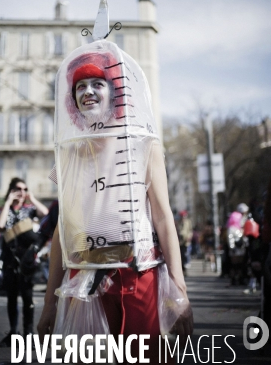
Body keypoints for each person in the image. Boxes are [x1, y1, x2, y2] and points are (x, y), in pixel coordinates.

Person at [37, 43, 192, 361]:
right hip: (85, 281)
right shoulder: (71, 155)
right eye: (80, 86)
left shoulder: (144, 146)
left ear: (116, 93)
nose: (87, 92)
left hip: (139, 278)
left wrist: (180, 290)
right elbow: (63, 232)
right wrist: (49, 303)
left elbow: (162, 218)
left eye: (97, 84)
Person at [0, 177, 48, 346]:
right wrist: (9, 201)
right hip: (10, 260)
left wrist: (31, 198)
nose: (21, 192)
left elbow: (45, 213)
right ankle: (13, 333)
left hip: (27, 261)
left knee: (27, 298)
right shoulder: (6, 210)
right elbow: (0, 225)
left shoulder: (29, 209)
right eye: (18, 188)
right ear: (11, 190)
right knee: (11, 298)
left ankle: (28, 333)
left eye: (24, 189)